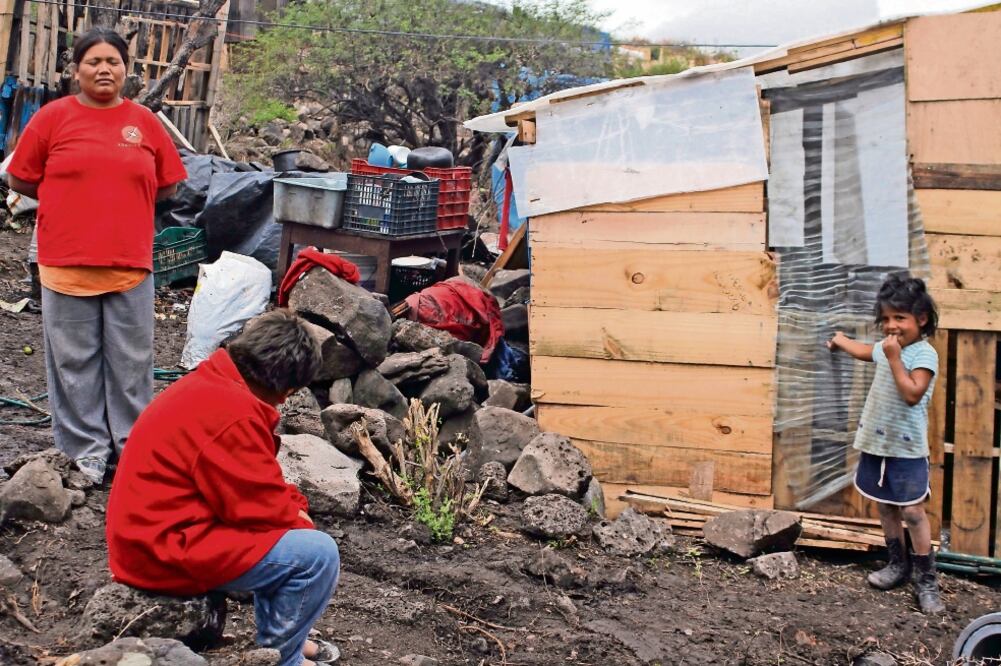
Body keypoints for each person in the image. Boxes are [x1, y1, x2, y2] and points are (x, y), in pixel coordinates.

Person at [106, 310, 341, 666]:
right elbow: (260, 508)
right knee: (315, 556)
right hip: (159, 551)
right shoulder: (232, 413)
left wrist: (291, 507)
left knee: (285, 537)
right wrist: (298, 514)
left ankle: (285, 644)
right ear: (285, 387)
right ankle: (282, 657)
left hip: (154, 533)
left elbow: (254, 485)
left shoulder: (213, 382)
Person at [6, 27, 187, 485]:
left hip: (129, 262)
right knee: (73, 366)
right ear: (76, 70)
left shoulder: (143, 121)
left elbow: (170, 183)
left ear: (127, 69)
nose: (104, 69)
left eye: (113, 61)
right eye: (94, 61)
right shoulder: (51, 118)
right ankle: (85, 455)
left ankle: (132, 452)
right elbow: (22, 179)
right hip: (64, 261)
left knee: (131, 365)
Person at [827, 274, 944, 614]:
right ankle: (898, 564)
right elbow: (866, 351)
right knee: (884, 504)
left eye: (900, 318)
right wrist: (840, 340)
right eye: (887, 319)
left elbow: (912, 394)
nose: (892, 326)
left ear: (921, 320)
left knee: (912, 511)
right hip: (876, 442)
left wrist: (894, 358)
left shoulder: (924, 354)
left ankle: (927, 580)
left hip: (906, 448)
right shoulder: (886, 348)